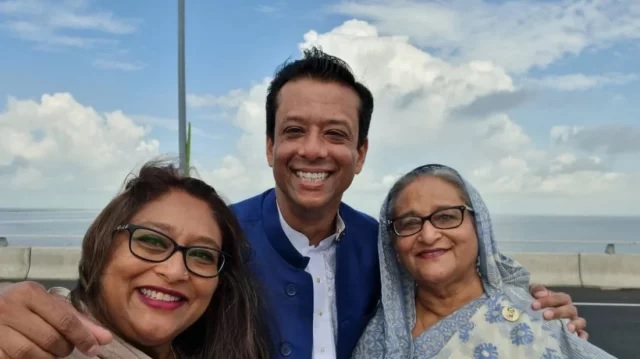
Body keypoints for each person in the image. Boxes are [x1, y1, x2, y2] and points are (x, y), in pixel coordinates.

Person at [0, 48, 585, 359]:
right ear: (268, 145)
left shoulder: (389, 249)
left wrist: (541, 317)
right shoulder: (216, 245)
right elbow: (119, 318)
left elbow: (456, 302)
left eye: (335, 135)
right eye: (294, 130)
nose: (313, 151)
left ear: (359, 154)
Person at [2, 160, 272, 359]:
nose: (175, 270)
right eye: (152, 241)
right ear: (103, 249)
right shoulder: (41, 345)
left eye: (202, 255)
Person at [352, 164, 615, 358]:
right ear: (393, 244)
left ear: (479, 226)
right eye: (409, 223)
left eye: (446, 216)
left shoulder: (532, 320)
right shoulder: (379, 337)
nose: (429, 235)